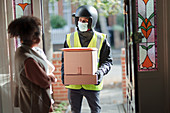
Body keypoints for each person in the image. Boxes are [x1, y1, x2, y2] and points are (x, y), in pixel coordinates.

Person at [61, 5, 113, 113]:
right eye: (80, 20)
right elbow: (64, 61)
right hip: (74, 85)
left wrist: (101, 72)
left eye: (85, 20)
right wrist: (63, 74)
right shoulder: (69, 38)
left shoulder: (101, 39)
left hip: (92, 85)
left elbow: (107, 61)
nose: (81, 22)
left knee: (95, 110)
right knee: (74, 111)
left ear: (91, 22)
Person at [8, 16, 57, 113]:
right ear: (34, 37)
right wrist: (50, 77)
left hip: (29, 102)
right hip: (35, 105)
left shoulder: (21, 51)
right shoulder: (28, 58)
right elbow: (44, 82)